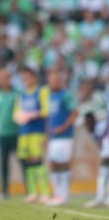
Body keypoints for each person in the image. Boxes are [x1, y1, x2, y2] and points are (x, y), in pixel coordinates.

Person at [13, 67, 50, 204]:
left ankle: (45, 192)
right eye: (24, 78)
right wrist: (19, 117)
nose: (26, 80)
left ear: (34, 78)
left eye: (28, 77)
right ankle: (33, 192)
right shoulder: (21, 94)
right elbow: (16, 112)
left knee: (37, 160)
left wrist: (32, 114)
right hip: (24, 132)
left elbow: (46, 111)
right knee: (28, 162)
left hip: (37, 131)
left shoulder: (42, 91)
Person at [46, 69, 78, 206]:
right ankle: (57, 193)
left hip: (65, 136)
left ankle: (64, 196)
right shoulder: (50, 96)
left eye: (56, 80)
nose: (54, 82)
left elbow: (75, 113)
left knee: (63, 164)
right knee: (53, 164)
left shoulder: (66, 95)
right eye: (52, 80)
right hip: (53, 137)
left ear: (60, 81)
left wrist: (63, 127)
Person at [0, 68, 20, 199]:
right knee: (3, 164)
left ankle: (31, 190)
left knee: (23, 162)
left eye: (6, 77)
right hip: (3, 133)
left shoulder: (17, 93)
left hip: (17, 132)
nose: (3, 80)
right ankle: (4, 191)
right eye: (1, 78)